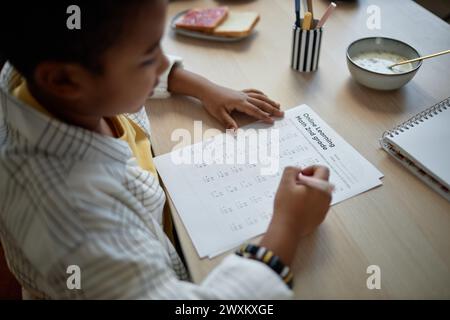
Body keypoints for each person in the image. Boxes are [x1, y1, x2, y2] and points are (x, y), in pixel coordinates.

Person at [0, 0, 332, 299]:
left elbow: (122, 54)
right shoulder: (77, 224)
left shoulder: (39, 75)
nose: (163, 64)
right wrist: (286, 229)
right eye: (148, 58)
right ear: (64, 81)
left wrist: (202, 87)